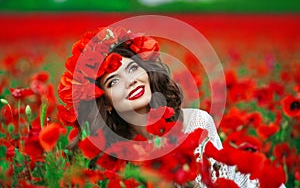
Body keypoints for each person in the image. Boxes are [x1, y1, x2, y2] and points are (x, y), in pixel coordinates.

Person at [58, 26, 260, 187]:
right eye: (113, 81)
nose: (130, 81)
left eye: (133, 68)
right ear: (105, 102)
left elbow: (223, 183)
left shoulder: (196, 123)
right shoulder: (109, 157)